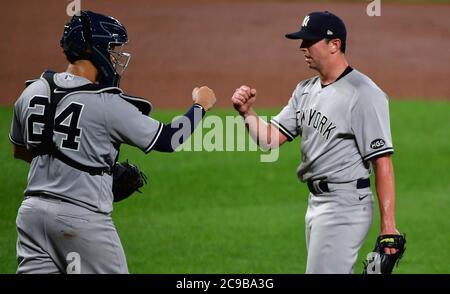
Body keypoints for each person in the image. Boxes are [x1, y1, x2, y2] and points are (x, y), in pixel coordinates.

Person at [9, 10, 216, 274]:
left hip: (31, 217)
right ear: (94, 49)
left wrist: (79, 168)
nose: (115, 58)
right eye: (111, 49)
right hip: (81, 220)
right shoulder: (107, 103)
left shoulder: (32, 91)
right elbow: (169, 139)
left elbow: (23, 150)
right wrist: (200, 105)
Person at [231, 11, 402, 274]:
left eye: (309, 41)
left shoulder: (365, 94)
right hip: (316, 204)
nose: (302, 47)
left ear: (335, 44)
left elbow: (382, 162)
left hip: (346, 205)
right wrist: (248, 114)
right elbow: (270, 140)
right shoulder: (305, 90)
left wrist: (388, 225)